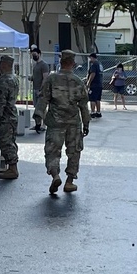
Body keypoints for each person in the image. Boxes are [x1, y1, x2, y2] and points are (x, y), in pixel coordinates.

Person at [34, 49, 91, 194]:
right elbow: (84, 106)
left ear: (60, 62)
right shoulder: (78, 81)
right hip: (73, 123)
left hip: (55, 122)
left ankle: (55, 175)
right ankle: (69, 182)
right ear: (72, 63)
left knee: (52, 151)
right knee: (74, 152)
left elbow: (43, 99)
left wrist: (38, 115)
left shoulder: (51, 79)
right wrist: (86, 124)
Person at [0, 54, 20, 180]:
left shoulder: (4, 81)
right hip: (12, 114)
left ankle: (13, 168)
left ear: (3, 65)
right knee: (11, 140)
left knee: (6, 142)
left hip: (5, 116)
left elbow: (0, 100)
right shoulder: (14, 78)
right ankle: (10, 167)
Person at [30, 47, 50, 132]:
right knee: (36, 108)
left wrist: (41, 90)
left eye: (35, 55)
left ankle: (44, 125)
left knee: (42, 108)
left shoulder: (44, 65)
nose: (34, 56)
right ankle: (37, 124)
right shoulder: (36, 65)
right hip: (35, 88)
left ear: (39, 54)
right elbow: (36, 76)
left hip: (40, 90)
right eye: (32, 55)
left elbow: (45, 78)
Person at [86, 52, 103, 118]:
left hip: (94, 85)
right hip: (99, 84)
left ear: (92, 57)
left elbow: (93, 74)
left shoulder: (94, 65)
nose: (89, 59)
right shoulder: (99, 64)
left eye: (90, 58)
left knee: (92, 99)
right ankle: (98, 112)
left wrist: (88, 83)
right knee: (98, 99)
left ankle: (92, 112)